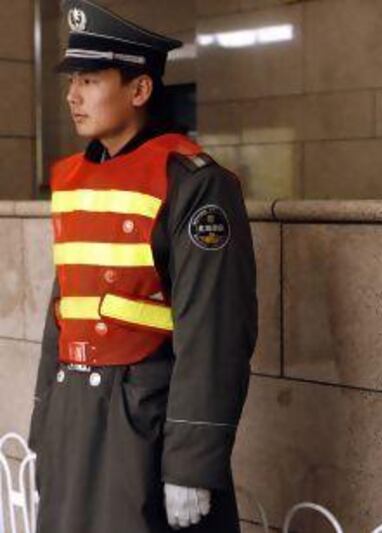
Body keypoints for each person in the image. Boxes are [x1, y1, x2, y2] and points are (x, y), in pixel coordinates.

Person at [27, 1, 258, 531]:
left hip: (145, 424)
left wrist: (192, 463)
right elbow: (63, 313)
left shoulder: (194, 184)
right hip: (74, 418)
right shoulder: (72, 179)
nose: (72, 95)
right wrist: (44, 424)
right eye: (72, 81)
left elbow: (215, 331)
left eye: (89, 79)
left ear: (139, 90)